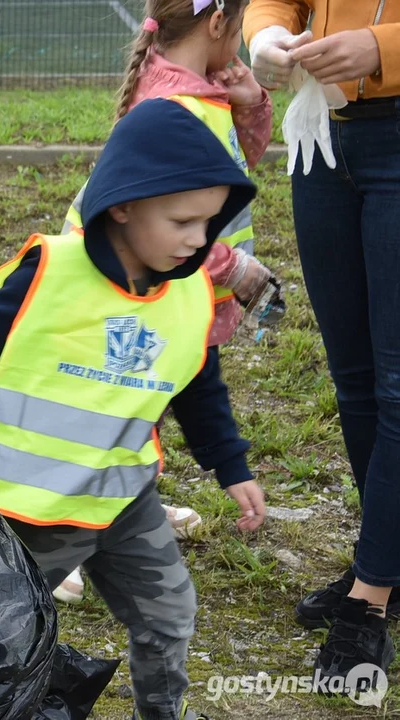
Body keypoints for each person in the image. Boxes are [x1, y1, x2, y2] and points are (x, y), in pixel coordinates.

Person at [0, 98, 266, 720]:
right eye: (182, 221)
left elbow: (198, 384)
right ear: (122, 205)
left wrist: (231, 467)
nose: (199, 240)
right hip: (28, 512)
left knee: (170, 616)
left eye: (209, 224)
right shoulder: (49, 270)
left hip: (124, 498)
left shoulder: (191, 293)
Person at [55, 0, 279, 604]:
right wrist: (233, 267)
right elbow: (161, 227)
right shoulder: (176, 107)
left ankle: (128, 503)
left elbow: (227, 177)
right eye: (240, 26)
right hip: (148, 287)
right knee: (110, 409)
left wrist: (251, 105)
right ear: (217, 25)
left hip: (177, 291)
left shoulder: (193, 94)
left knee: (144, 402)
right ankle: (61, 539)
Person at [246, 0, 400, 681]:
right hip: (324, 137)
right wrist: (267, 36)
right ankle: (386, 558)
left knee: (397, 384)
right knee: (355, 377)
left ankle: (369, 600)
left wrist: (382, 49)